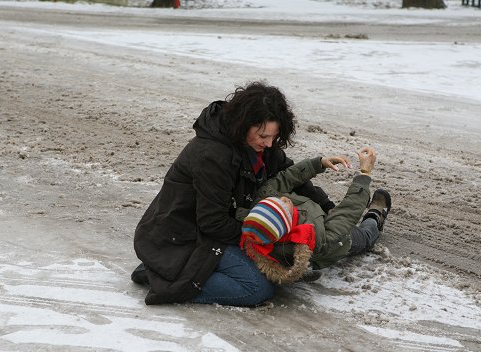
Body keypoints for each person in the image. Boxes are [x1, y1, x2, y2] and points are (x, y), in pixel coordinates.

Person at [131, 81, 334, 306]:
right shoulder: (213, 155)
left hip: (216, 230)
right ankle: (168, 280)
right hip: (181, 237)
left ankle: (172, 272)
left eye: (273, 137)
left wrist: (327, 206)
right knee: (257, 288)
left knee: (283, 256)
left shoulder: (259, 145)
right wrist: (265, 241)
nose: (269, 144)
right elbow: (212, 223)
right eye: (263, 136)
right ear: (243, 124)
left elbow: (289, 175)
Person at [239, 147, 392, 284]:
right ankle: (376, 216)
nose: (284, 198)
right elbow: (346, 214)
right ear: (288, 223)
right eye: (284, 205)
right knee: (364, 236)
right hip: (336, 243)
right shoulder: (314, 239)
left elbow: (286, 178)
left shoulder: (263, 203)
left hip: (317, 217)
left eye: (277, 199)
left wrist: (319, 164)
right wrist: (364, 175)